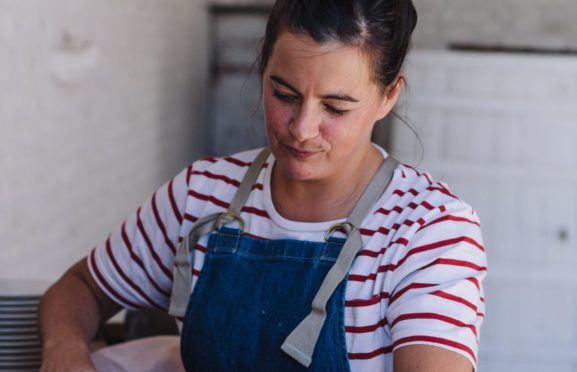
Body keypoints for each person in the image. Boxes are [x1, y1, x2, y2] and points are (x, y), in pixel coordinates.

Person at [39, 0, 487, 371]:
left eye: (335, 107)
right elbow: (79, 287)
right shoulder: (202, 194)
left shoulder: (430, 230)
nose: (302, 128)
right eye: (284, 94)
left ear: (388, 96)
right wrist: (65, 350)